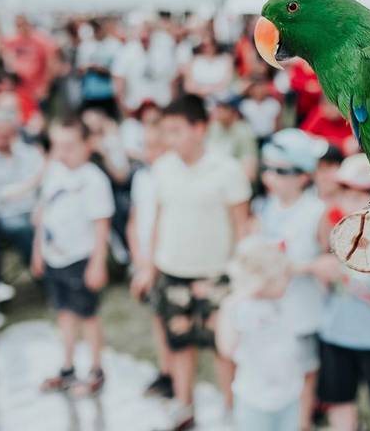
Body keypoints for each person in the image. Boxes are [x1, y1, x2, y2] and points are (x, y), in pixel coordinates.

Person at [134, 94, 252, 431]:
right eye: (165, 132)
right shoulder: (162, 169)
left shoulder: (227, 170)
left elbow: (241, 226)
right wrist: (149, 267)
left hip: (217, 276)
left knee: (224, 348)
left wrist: (237, 275)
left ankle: (232, 411)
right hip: (172, 272)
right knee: (180, 344)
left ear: (199, 128)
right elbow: (157, 220)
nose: (168, 139)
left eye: (175, 131)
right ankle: (184, 406)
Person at [316, 154, 370, 431]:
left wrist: (336, 270)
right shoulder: (334, 231)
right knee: (341, 405)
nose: (352, 202)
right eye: (347, 193)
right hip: (336, 334)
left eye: (362, 195)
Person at [32, 118, 114, 396]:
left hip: (81, 257)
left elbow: (101, 225)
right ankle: (67, 367)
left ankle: (95, 369)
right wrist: (38, 250)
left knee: (87, 315)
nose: (62, 153)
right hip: (55, 257)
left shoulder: (93, 179)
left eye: (69, 146)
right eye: (58, 146)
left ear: (87, 146)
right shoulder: (53, 171)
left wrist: (97, 263)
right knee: (64, 313)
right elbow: (43, 212)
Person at [257, 128, 330, 431]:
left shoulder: (316, 211)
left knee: (304, 373)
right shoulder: (266, 207)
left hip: (303, 309)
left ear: (302, 176)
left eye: (280, 171)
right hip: (274, 309)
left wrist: (297, 268)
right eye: (267, 168)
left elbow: (329, 260)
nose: (269, 176)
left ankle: (301, 423)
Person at [218, 236, 302, 431]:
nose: (288, 279)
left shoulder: (283, 300)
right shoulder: (244, 309)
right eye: (283, 276)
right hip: (255, 399)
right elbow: (227, 348)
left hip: (288, 394)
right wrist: (229, 306)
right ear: (264, 282)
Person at [125, 124, 173, 399]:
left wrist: (151, 265)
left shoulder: (168, 178)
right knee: (156, 318)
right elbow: (134, 221)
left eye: (155, 146)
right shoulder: (142, 177)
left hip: (163, 260)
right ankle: (165, 370)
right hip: (144, 259)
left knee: (167, 320)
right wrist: (139, 259)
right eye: (146, 146)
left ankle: (173, 375)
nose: (149, 152)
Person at [0, 111, 45, 269]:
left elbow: (44, 179)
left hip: (34, 208)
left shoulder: (28, 152)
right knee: (22, 228)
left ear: (14, 132)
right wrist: (29, 185)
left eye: (7, 133)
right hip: (3, 214)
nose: (2, 136)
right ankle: (39, 268)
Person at [112, 21, 178, 117]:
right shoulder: (126, 52)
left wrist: (171, 106)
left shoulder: (164, 51)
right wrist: (124, 108)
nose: (144, 35)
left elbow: (173, 80)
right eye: (141, 31)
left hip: (161, 105)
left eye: (147, 31)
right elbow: (118, 83)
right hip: (135, 107)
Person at [0, 15, 58, 104]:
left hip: (37, 89)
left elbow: (51, 64)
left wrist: (45, 86)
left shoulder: (41, 40)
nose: (21, 28)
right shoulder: (13, 40)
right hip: (19, 88)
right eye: (18, 25)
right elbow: (2, 48)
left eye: (23, 24)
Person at [77, 18, 122, 118]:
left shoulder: (114, 45)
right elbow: (80, 69)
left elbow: (119, 70)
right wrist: (88, 68)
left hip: (108, 93)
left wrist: (102, 69)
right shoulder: (85, 46)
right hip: (90, 93)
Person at [206, 95, 258, 181]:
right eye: (218, 106)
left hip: (232, 182)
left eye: (224, 107)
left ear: (234, 112)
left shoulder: (244, 132)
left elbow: (249, 171)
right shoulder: (213, 128)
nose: (218, 110)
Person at [183, 33, 233, 102]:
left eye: (211, 43)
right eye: (204, 45)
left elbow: (227, 82)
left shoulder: (226, 59)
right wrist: (202, 92)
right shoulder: (193, 61)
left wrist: (211, 90)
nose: (208, 47)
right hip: (199, 99)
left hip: (222, 99)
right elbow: (188, 86)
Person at [240, 76, 283, 145]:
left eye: (263, 87)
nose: (260, 90)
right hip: (251, 139)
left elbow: (277, 125)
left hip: (269, 138)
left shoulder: (273, 104)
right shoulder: (245, 105)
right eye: (257, 87)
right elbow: (243, 125)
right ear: (251, 90)